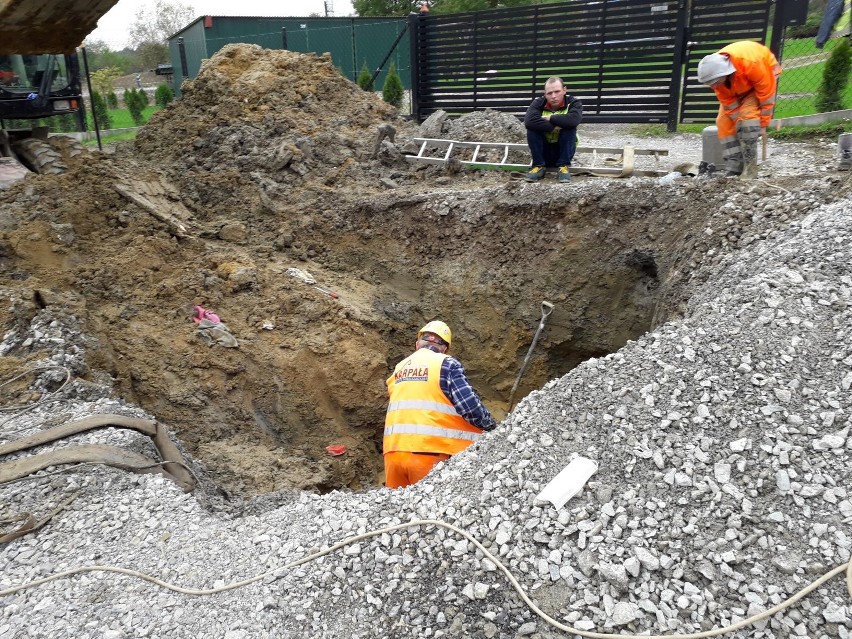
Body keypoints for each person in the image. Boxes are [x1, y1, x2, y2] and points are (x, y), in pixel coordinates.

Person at [384, 320, 496, 488]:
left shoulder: (399, 368)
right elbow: (471, 408)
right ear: (444, 348)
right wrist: (493, 428)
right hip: (428, 453)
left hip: (392, 455)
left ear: (417, 344)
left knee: (398, 512)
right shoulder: (446, 363)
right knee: (431, 512)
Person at [697, 41, 781, 179]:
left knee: (748, 116)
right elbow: (730, 106)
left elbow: (766, 97)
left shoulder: (752, 63)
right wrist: (738, 126)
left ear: (724, 73)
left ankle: (750, 168)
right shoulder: (717, 79)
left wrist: (763, 125)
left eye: (715, 82)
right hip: (740, 83)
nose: (714, 86)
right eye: (710, 84)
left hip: (765, 75)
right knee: (723, 121)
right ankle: (735, 166)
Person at [523, 76, 583, 183]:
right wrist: (553, 127)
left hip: (563, 150)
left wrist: (551, 118)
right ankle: (538, 166)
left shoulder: (574, 102)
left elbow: (573, 120)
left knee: (569, 127)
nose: (553, 96)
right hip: (544, 151)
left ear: (565, 90)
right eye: (549, 93)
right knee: (532, 128)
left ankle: (563, 167)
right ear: (545, 93)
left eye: (557, 91)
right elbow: (528, 121)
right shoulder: (538, 102)